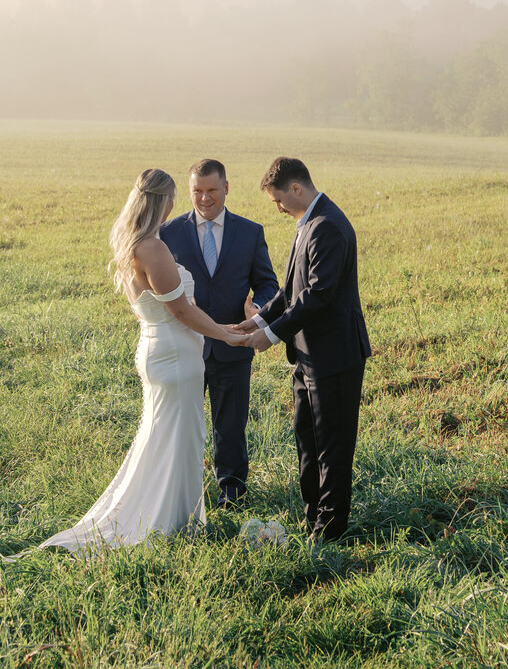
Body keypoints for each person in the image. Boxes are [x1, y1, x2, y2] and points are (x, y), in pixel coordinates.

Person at [36, 169, 246, 555]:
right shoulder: (152, 248)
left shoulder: (130, 243)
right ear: (163, 200)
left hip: (157, 347)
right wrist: (225, 333)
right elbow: (181, 310)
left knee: (164, 436)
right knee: (177, 439)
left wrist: (220, 327)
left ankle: (173, 516)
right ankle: (167, 522)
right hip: (174, 355)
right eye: (173, 198)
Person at [234, 157, 371, 542]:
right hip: (308, 358)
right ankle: (312, 520)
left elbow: (317, 296)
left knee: (332, 447)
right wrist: (259, 321)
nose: (278, 208)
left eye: (278, 200)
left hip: (335, 357)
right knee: (307, 441)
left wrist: (271, 335)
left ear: (296, 188)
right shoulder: (308, 223)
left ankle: (329, 534)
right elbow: (290, 290)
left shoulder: (327, 226)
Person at [160, 159, 278, 507]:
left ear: (226, 187)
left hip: (234, 343)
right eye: (197, 191)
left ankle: (232, 496)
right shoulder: (168, 232)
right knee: (182, 425)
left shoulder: (250, 232)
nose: (204, 198)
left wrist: (258, 309)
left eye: (212, 190)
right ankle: (182, 493)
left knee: (230, 426)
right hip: (184, 345)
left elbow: (267, 284)